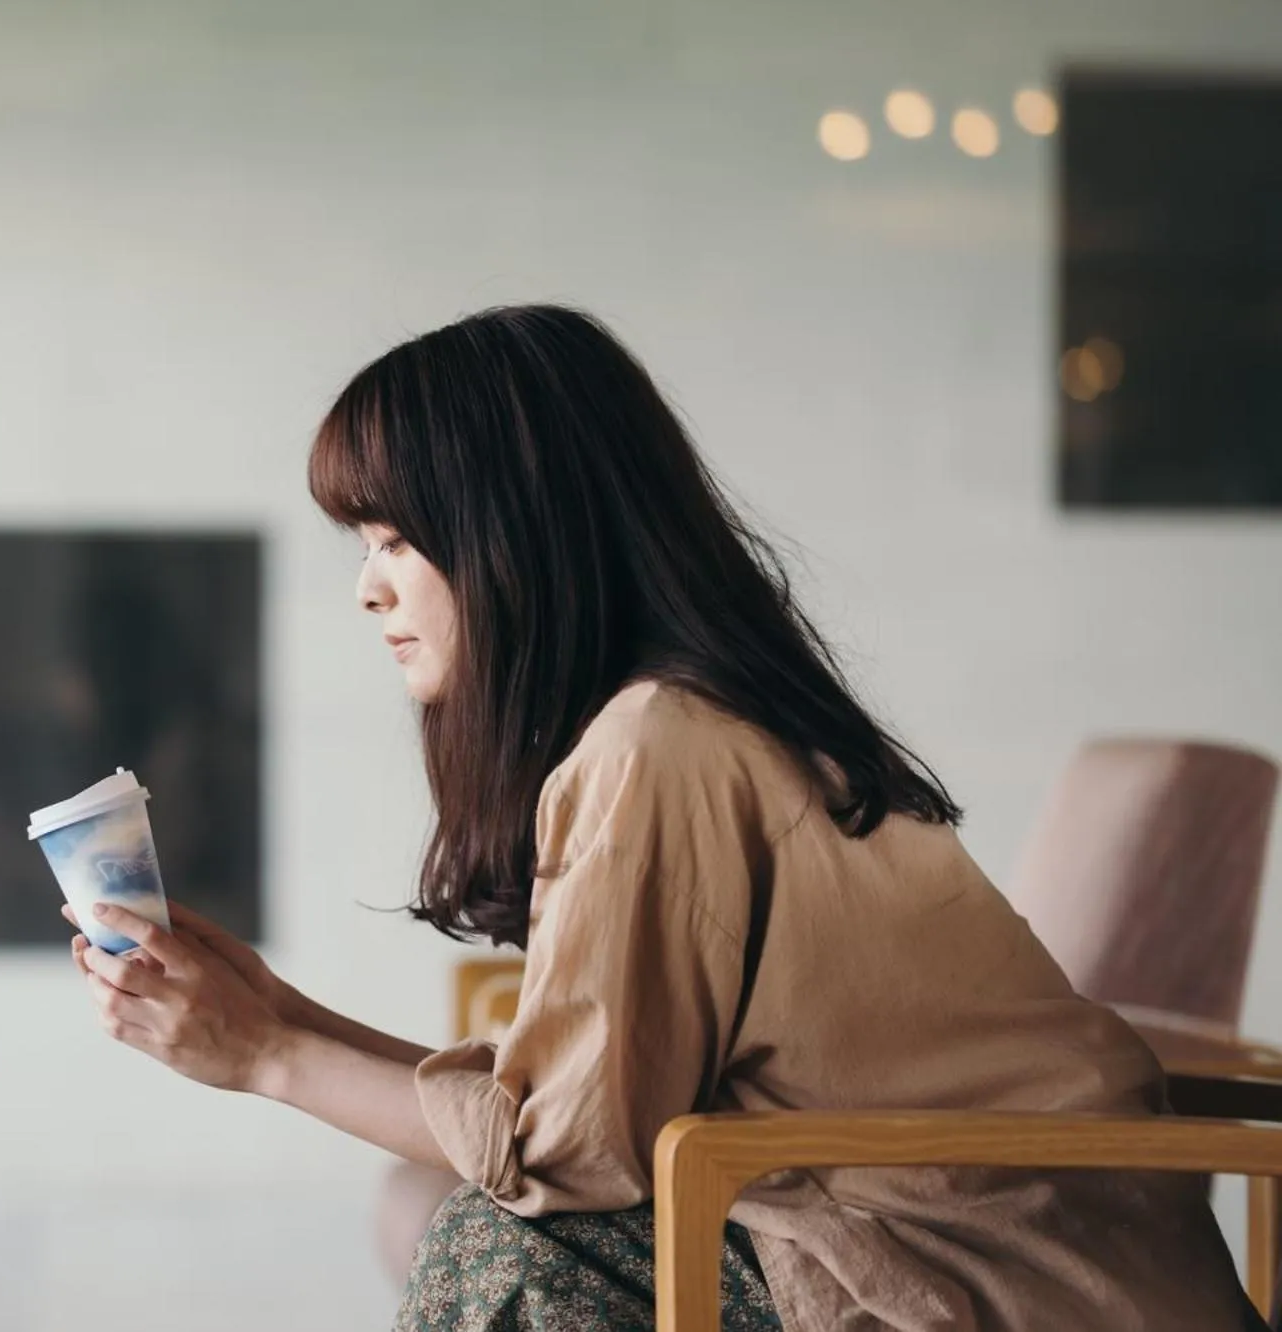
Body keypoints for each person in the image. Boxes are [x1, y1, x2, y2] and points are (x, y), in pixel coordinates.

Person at [63, 305, 1259, 1331]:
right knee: (489, 1234)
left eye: (393, 538)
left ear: (516, 534)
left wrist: (266, 1055)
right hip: (972, 1226)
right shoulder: (683, 723)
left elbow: (570, 1153)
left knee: (498, 1256)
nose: (369, 586)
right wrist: (271, 1012)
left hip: (998, 1271)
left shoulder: (658, 744)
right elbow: (589, 1114)